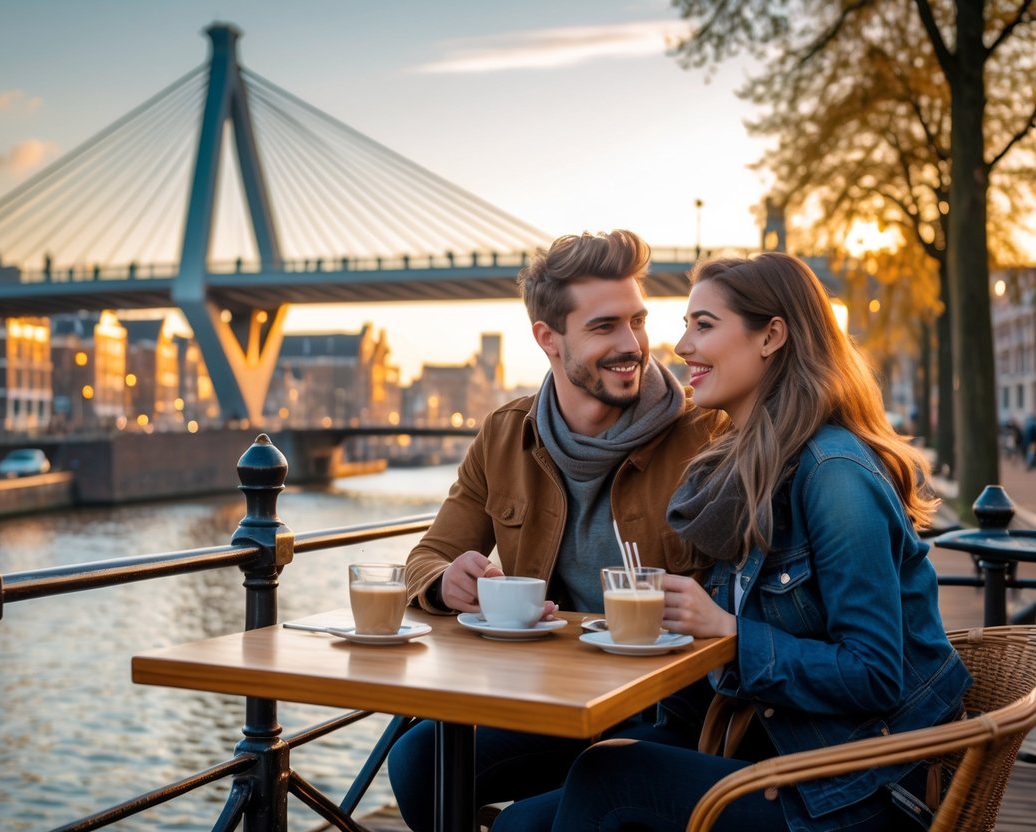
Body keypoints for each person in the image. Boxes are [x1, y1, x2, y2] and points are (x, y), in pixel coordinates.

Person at [494, 252, 972, 831]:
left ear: (771, 336)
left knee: (609, 782)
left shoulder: (835, 475)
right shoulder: (743, 469)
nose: (679, 347)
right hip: (775, 753)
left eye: (703, 325)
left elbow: (874, 674)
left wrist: (728, 631)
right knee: (526, 819)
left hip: (861, 787)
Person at [387, 229, 726, 831]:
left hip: (670, 713)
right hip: (555, 699)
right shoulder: (503, 435)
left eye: (637, 321)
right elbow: (431, 554)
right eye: (604, 328)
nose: (633, 345)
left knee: (523, 826)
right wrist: (447, 583)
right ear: (548, 338)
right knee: (419, 763)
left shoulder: (707, 436)